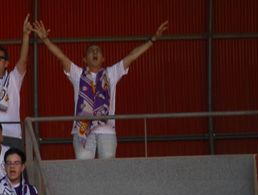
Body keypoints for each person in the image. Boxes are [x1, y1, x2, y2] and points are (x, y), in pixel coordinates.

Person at [33, 19, 167, 159]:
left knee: (107, 172)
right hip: (83, 131)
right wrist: (45, 40)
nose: (95, 52)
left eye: (98, 51)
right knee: (85, 171)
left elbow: (132, 56)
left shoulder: (111, 73)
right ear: (84, 59)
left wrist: (153, 39)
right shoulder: (78, 74)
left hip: (107, 131)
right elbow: (61, 57)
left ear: (103, 58)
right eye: (91, 51)